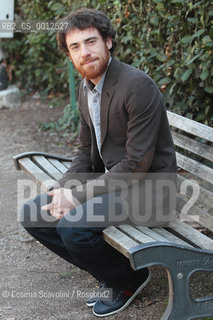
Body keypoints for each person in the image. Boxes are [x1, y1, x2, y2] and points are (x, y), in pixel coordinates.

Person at [20, 8, 177, 317]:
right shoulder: (85, 88)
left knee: (73, 228)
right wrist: (64, 189)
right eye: (75, 47)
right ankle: (114, 272)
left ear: (108, 42)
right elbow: (84, 150)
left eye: (91, 42)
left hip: (150, 190)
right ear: (68, 55)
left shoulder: (136, 86)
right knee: (33, 213)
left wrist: (76, 197)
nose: (85, 52)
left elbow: (135, 165)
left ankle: (128, 281)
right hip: (113, 185)